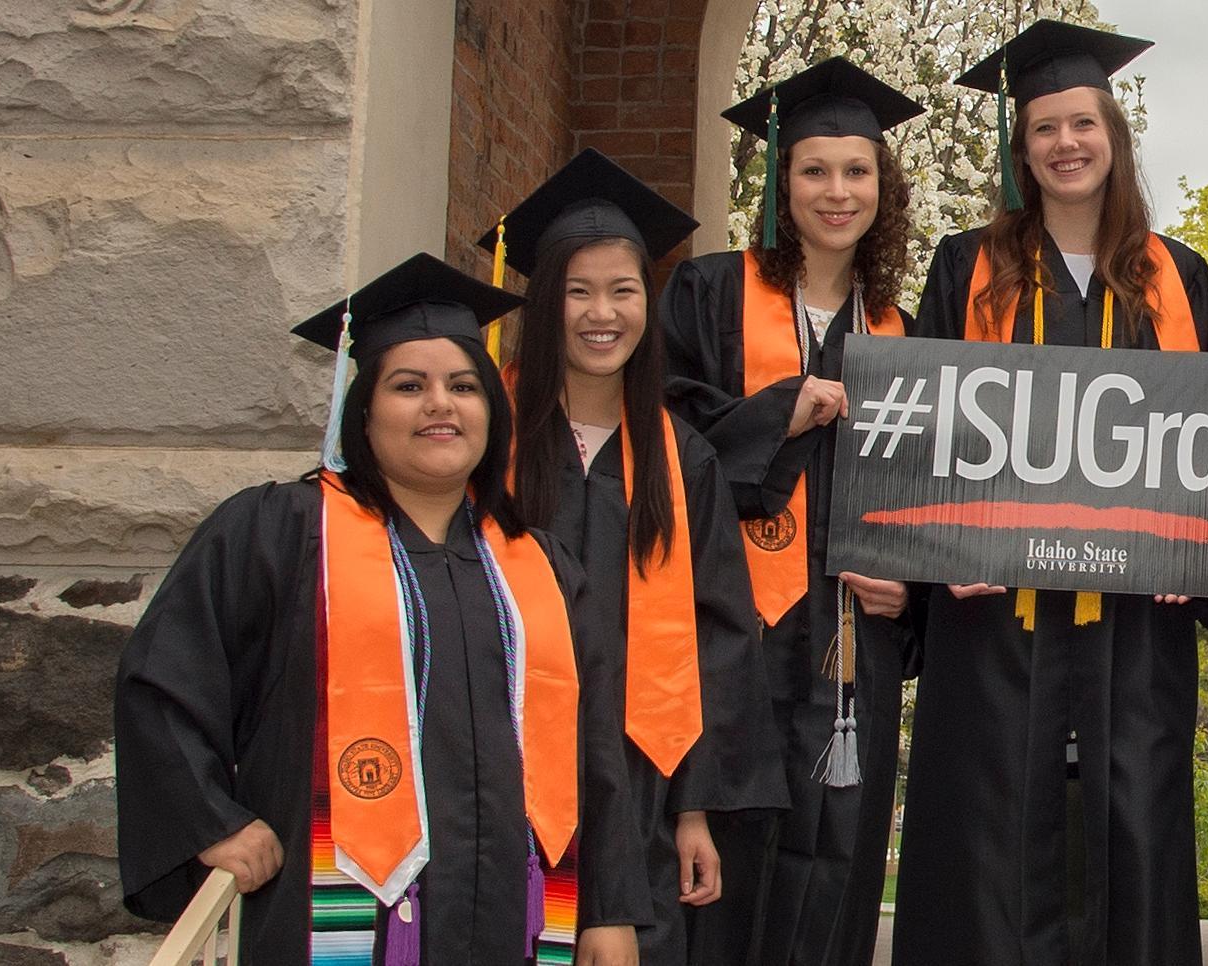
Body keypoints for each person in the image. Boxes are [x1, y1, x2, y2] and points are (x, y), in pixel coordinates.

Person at [116, 252, 585, 964]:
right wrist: (210, 818)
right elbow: (165, 677)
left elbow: (596, 750)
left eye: (464, 385)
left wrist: (610, 910)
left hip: (510, 914)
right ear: (361, 414)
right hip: (326, 914)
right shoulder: (279, 531)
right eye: (408, 386)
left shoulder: (540, 567)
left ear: (493, 411)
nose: (440, 404)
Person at [894, 18, 1208, 966]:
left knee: (1139, 809)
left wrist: (1195, 553)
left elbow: (1202, 436)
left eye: (1084, 123)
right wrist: (940, 556)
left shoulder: (1177, 275)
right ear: (1021, 148)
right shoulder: (967, 265)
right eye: (1044, 128)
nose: (1066, 144)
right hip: (993, 607)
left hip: (1133, 611)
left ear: (1115, 137)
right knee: (989, 816)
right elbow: (925, 429)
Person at [654, 56, 925, 966]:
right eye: (814, 170)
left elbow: (935, 494)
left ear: (883, 189)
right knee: (724, 857)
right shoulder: (710, 290)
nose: (837, 192)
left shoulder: (902, 328)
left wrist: (909, 591)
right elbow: (664, 434)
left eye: (857, 172)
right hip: (734, 629)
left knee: (836, 863)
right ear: (780, 182)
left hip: (851, 642)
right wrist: (780, 410)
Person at [481, 148, 780, 965]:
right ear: (544, 305)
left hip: (647, 791)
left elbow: (719, 636)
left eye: (622, 291)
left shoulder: (682, 461)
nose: (600, 313)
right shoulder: (487, 441)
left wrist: (695, 812)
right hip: (501, 774)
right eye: (577, 292)